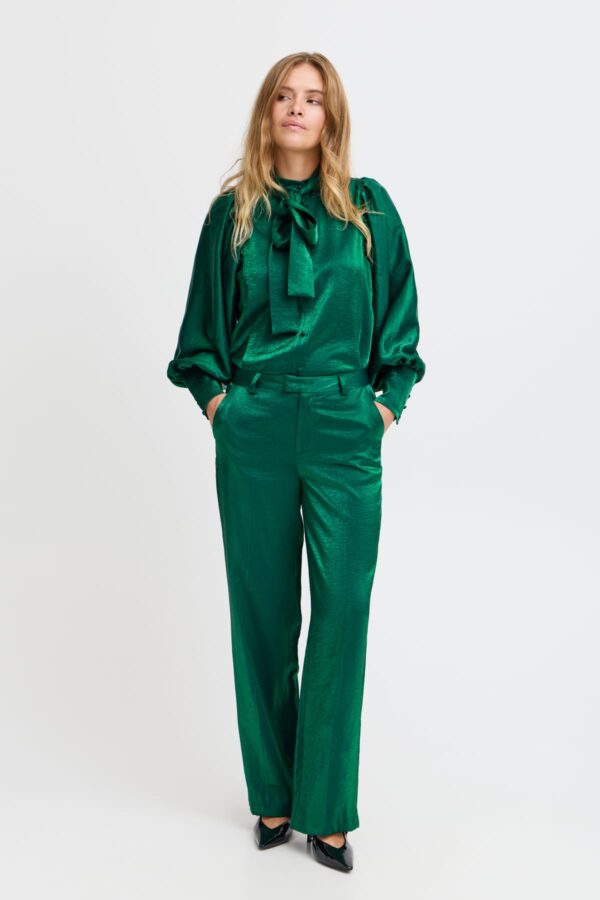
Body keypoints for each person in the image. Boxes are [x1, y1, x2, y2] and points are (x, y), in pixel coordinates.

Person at [166, 51, 426, 873]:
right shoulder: (233, 214)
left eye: (313, 98)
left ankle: (328, 807)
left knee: (343, 608)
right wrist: (224, 409)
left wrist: (382, 406)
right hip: (257, 421)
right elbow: (199, 338)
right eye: (284, 95)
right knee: (263, 611)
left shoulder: (369, 211)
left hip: (345, 422)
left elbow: (402, 324)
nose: (297, 108)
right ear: (267, 110)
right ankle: (274, 795)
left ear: (331, 117)